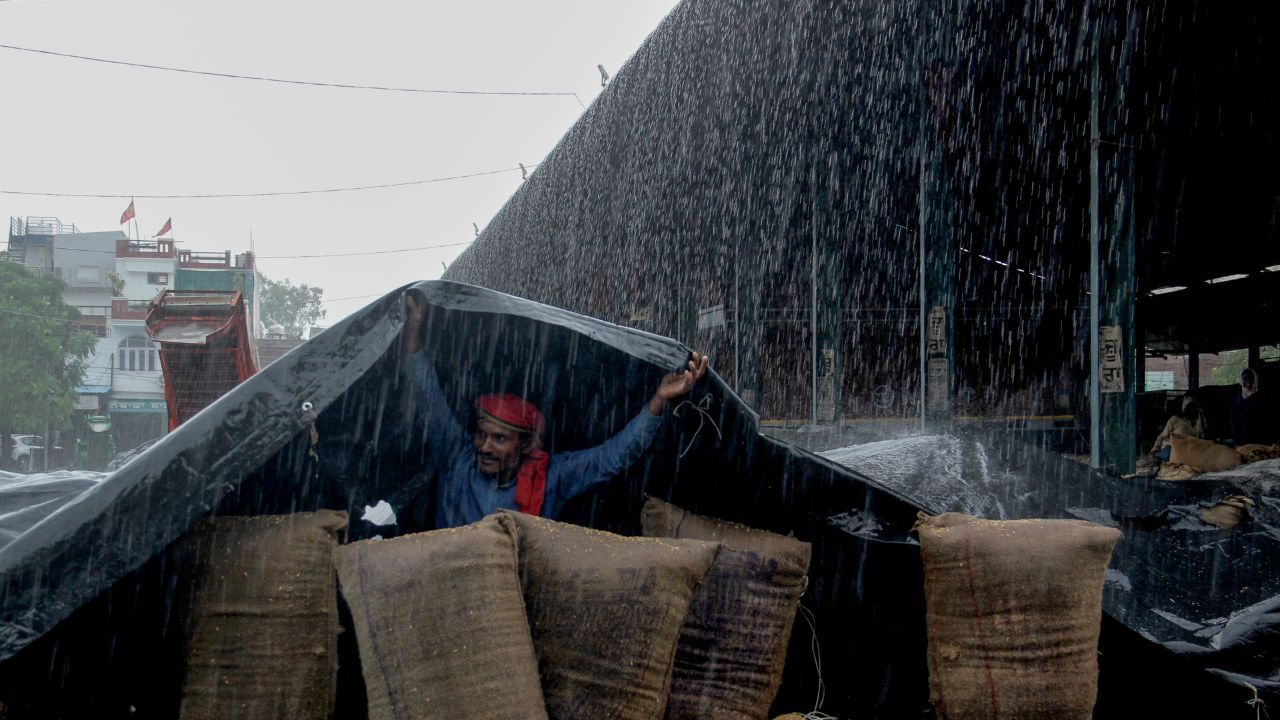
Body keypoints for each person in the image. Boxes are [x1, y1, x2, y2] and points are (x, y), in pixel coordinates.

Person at [402, 292, 709, 529]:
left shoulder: (551, 476)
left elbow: (613, 457)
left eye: (499, 438)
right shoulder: (457, 458)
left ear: (524, 445)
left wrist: (658, 399)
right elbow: (427, 396)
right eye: (481, 435)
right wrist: (413, 332)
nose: (484, 446)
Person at [1150, 395, 1206, 462]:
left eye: (1195, 409)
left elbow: (1201, 439)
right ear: (1185, 409)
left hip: (1187, 452)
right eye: (1190, 408)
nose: (1193, 411)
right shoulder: (1175, 420)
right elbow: (1162, 435)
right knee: (1167, 452)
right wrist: (1155, 449)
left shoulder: (1198, 424)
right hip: (1171, 450)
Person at [1229, 368, 1273, 446]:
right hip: (1241, 441)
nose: (1248, 382)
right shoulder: (1236, 399)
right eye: (1245, 379)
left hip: (1259, 440)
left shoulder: (1263, 397)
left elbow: (1265, 421)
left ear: (1255, 380)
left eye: (1251, 379)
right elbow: (1234, 421)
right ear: (1241, 380)